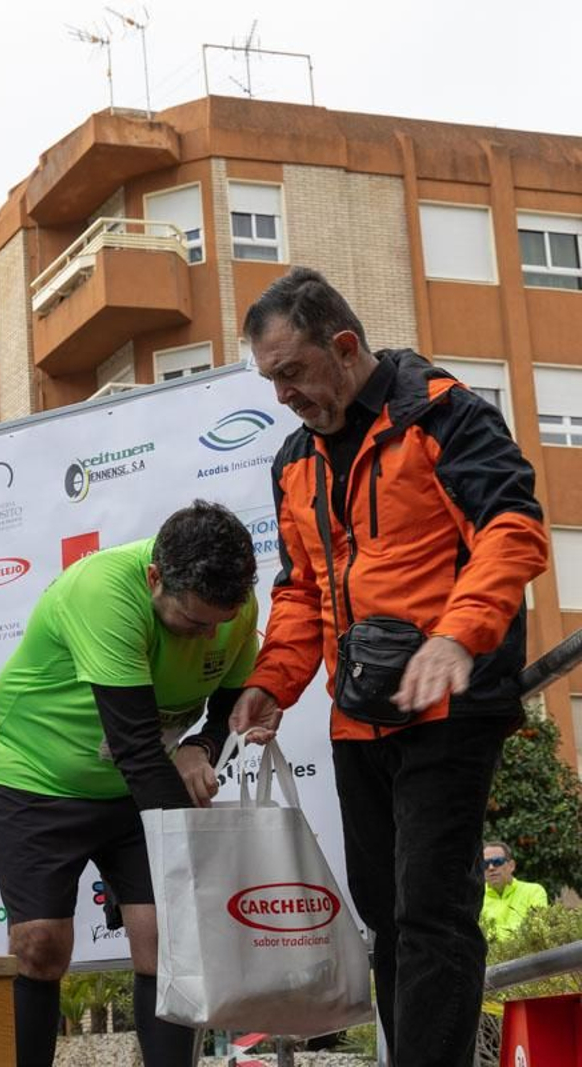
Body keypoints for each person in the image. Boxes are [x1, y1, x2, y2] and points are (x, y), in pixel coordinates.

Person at [229, 268, 549, 1065]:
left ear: (344, 346)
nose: (283, 396)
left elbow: (512, 528)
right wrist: (272, 682)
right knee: (384, 911)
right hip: (358, 714)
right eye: (271, 381)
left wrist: (458, 635)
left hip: (450, 704)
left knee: (433, 911)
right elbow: (299, 589)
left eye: (292, 372)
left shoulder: (445, 414)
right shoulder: (293, 460)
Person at [0, 502, 259, 1067]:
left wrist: (202, 746)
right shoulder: (104, 590)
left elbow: (232, 697)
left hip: (140, 781)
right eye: (194, 623)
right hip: (38, 776)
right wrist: (194, 850)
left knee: (163, 939)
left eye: (221, 621)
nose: (210, 634)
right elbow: (133, 746)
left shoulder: (232, 603)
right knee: (41, 944)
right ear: (155, 578)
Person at [480, 841, 549, 941]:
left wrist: (491, 937)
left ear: (511, 866)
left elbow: (536, 928)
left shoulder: (534, 891)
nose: (491, 868)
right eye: (485, 864)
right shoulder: (475, 898)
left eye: (497, 862)